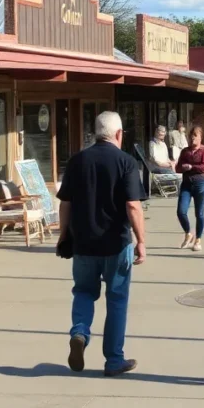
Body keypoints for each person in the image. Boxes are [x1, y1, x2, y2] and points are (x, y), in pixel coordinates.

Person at [56, 111, 147, 377]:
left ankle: (80, 333)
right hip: (116, 244)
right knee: (116, 299)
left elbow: (66, 203)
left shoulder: (77, 161)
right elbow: (133, 205)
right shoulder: (126, 162)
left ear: (96, 132)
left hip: (83, 243)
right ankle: (113, 360)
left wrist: (64, 235)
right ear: (119, 134)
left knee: (83, 292)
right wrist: (141, 240)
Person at [175, 125, 204, 252]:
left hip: (201, 184)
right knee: (181, 211)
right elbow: (177, 168)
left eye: (195, 135)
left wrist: (191, 167)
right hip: (186, 184)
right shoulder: (185, 151)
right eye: (191, 135)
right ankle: (188, 232)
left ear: (201, 137)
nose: (192, 138)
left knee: (199, 213)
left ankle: (198, 240)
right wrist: (183, 168)